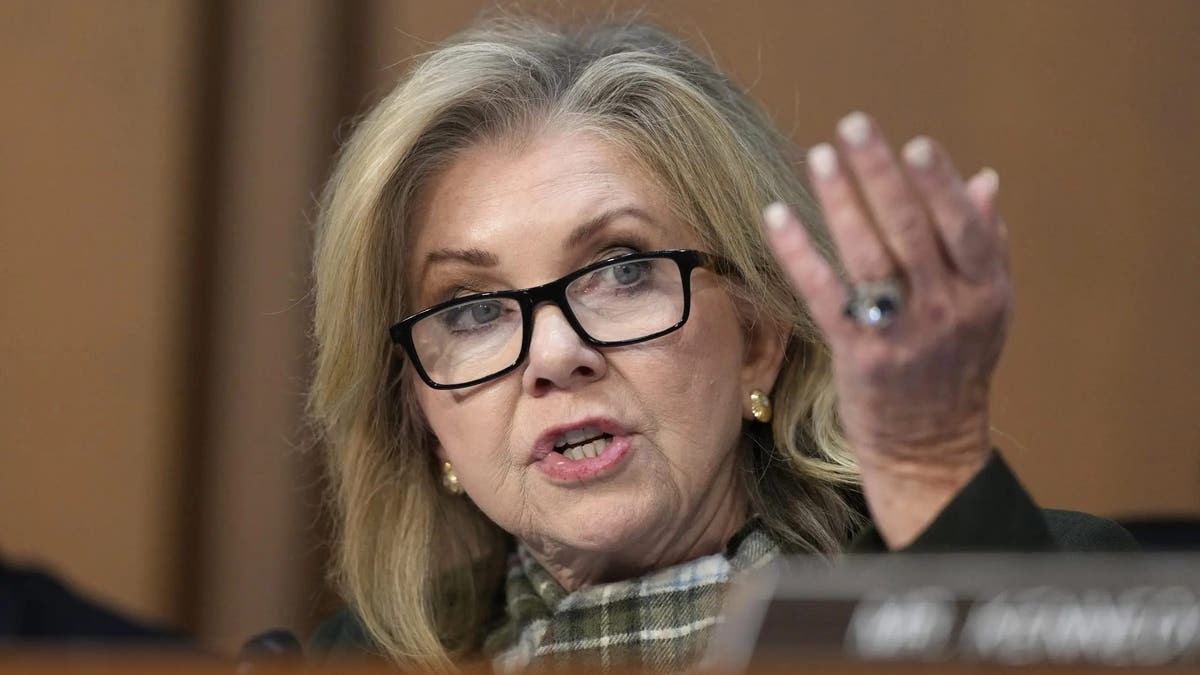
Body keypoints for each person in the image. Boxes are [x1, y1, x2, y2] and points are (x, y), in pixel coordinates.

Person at [306, 15, 1136, 672]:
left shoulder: (1035, 585)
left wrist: (930, 473)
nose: (554, 354)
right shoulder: (360, 660)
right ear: (419, 408)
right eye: (472, 308)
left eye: (623, 268)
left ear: (760, 337)